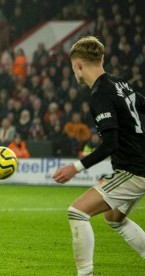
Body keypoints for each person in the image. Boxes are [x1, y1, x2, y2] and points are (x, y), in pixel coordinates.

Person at [52, 36, 145, 276]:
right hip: (139, 164)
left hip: (133, 170)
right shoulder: (120, 84)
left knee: (77, 211)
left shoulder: (100, 94)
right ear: (101, 59)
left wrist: (76, 166)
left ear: (78, 65)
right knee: (114, 218)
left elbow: (110, 144)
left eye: (73, 67)